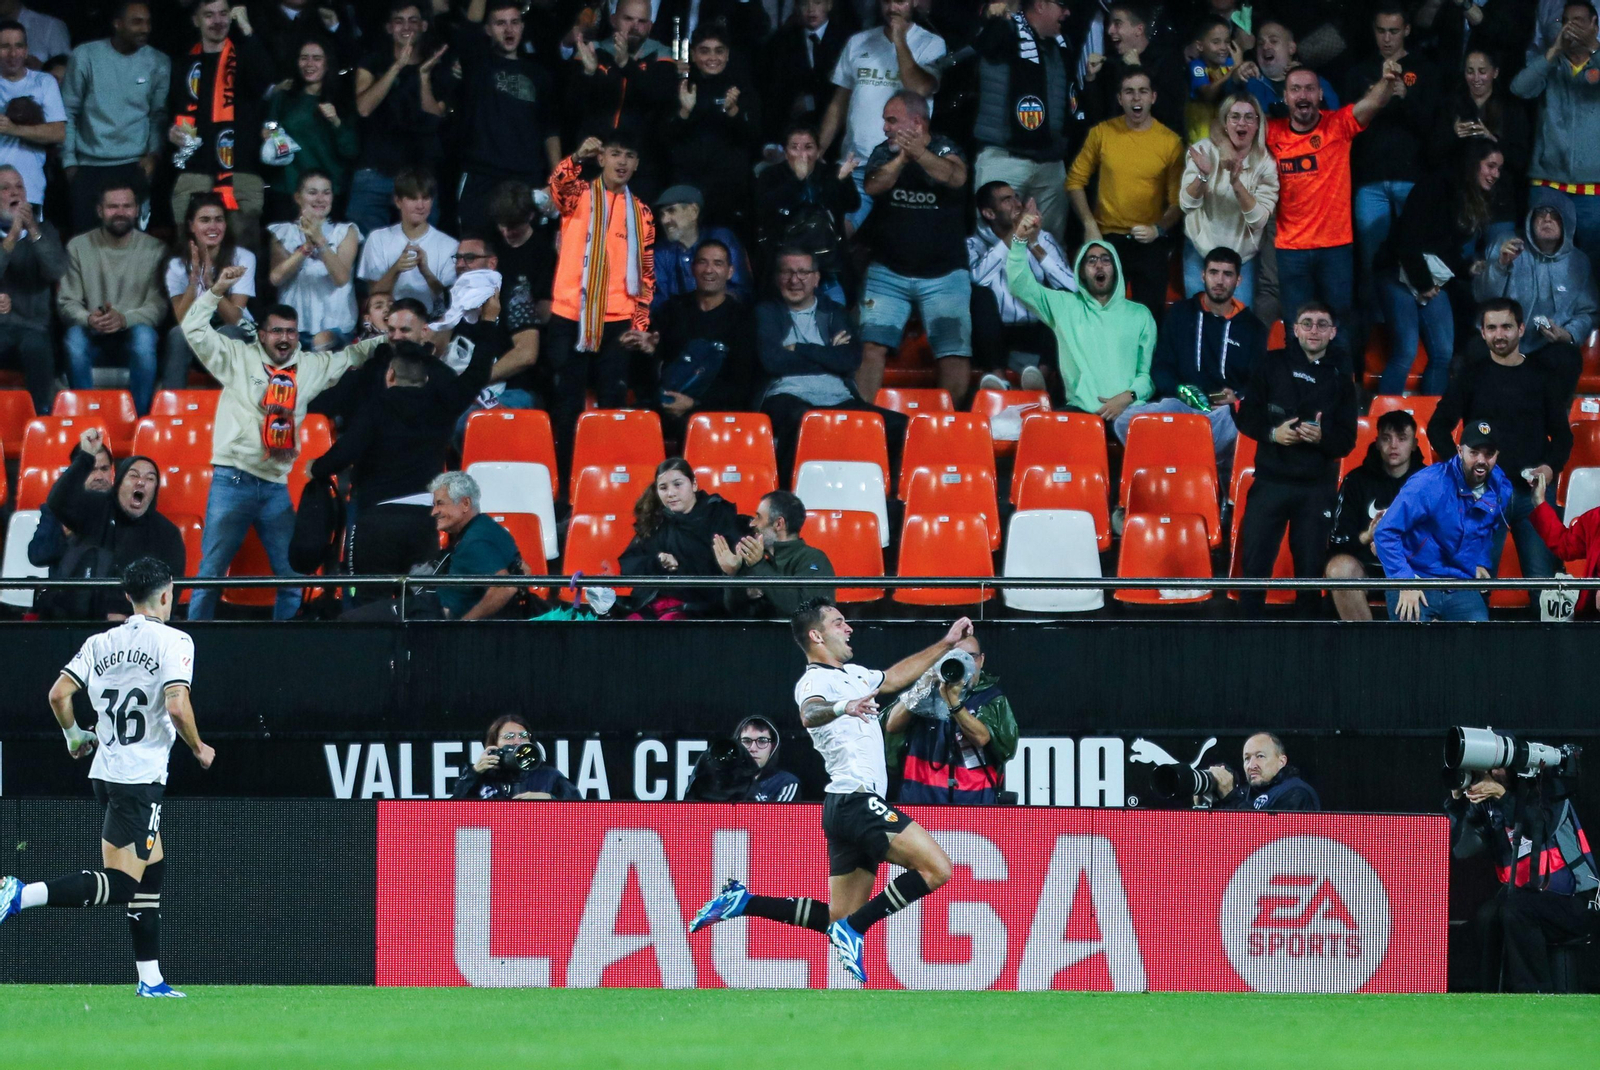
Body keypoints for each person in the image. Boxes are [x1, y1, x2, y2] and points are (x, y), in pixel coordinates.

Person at [688, 600, 971, 986]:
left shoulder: (854, 673)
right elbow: (811, 713)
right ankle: (854, 931)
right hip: (856, 801)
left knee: (838, 918)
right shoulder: (814, 681)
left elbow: (891, 678)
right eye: (839, 623)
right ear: (816, 635)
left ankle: (743, 902)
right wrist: (845, 705)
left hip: (842, 807)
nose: (849, 628)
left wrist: (946, 643)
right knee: (938, 869)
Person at [0, 557, 215, 999]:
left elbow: (59, 694)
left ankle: (150, 978)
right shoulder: (175, 641)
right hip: (140, 778)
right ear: (167, 593)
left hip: (107, 772)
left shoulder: (100, 643)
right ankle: (21, 894)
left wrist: (74, 735)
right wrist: (198, 748)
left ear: (128, 596)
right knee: (123, 883)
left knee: (152, 870)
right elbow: (176, 706)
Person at [182, 263, 385, 621]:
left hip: (275, 487)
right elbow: (193, 328)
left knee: (292, 577)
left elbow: (353, 355)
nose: (285, 338)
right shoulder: (237, 357)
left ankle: (283, 646)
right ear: (261, 334)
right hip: (233, 481)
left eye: (291, 332)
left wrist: (394, 337)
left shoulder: (310, 366)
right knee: (209, 576)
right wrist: (215, 292)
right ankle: (193, 649)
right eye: (276, 331)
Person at [310, 339, 494, 588]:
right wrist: (487, 323)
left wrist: (316, 468)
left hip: (376, 519)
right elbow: (478, 374)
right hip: (424, 520)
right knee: (419, 603)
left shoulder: (376, 408)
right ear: (426, 380)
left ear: (390, 375)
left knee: (368, 598)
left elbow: (345, 452)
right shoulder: (441, 409)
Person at [1430, 300, 1572, 587]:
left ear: (1520, 329)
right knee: (1475, 587)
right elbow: (1437, 428)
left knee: (1544, 590)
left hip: (1531, 496)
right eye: (1491, 327)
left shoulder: (1543, 376)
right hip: (1482, 497)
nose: (1499, 334)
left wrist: (1549, 467)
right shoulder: (1470, 376)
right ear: (1482, 333)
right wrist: (1462, 470)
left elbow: (1563, 436)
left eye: (1506, 326)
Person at [1233, 301, 1358, 617]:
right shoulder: (1270, 364)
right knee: (1255, 565)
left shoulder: (1342, 377)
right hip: (1270, 482)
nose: (1313, 329)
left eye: (1321, 323)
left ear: (1333, 332)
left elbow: (1347, 441)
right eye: (1307, 322)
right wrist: (1274, 435)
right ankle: (1246, 637)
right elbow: (1245, 415)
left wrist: (1322, 439)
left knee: (1310, 571)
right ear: (1295, 329)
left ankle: (1309, 644)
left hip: (1316, 489)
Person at [1267, 63, 1401, 351]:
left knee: (1338, 325)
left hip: (1335, 247)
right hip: (1290, 249)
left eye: (1309, 88)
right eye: (1295, 89)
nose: (1303, 95)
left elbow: (1374, 101)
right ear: (1286, 97)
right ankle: (1298, 389)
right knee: (1295, 324)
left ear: (1320, 94)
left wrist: (1387, 79)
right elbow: (1228, 124)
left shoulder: (1337, 125)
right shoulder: (1270, 132)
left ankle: (1341, 389)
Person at [545, 131, 655, 471]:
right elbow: (558, 185)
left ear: (636, 164)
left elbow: (646, 274)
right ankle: (565, 485)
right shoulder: (579, 196)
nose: (622, 161)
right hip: (570, 317)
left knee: (613, 405)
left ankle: (606, 480)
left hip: (618, 322)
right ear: (602, 157)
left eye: (630, 156)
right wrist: (577, 156)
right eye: (616, 153)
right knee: (567, 407)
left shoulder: (642, 214)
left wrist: (640, 325)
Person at [857, 90, 972, 404]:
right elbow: (873, 185)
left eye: (891, 120)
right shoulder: (884, 152)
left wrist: (920, 155)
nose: (885, 128)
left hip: (944, 275)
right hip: (888, 273)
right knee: (870, 347)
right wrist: (902, 159)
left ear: (917, 122)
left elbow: (956, 177)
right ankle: (864, 421)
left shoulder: (946, 147)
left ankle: (946, 429)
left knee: (953, 354)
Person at [758, 247, 908, 479]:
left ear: (816, 278)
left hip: (839, 398)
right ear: (777, 277)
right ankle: (788, 496)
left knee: (901, 425)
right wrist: (828, 356)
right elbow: (773, 361)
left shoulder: (834, 312)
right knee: (801, 420)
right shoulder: (766, 312)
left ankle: (888, 495)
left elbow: (849, 360)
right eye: (787, 272)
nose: (794, 280)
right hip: (786, 396)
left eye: (803, 272)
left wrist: (800, 348)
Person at [1447, 765, 1600, 992]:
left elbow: (1537, 828)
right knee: (1488, 916)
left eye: (1496, 768)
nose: (1490, 775)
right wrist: (1458, 803)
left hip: (1578, 901)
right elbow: (1462, 849)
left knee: (1516, 909)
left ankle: (1533, 994)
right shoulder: (1490, 809)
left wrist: (1502, 795)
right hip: (1529, 901)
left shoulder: (1546, 791)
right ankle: (1489, 996)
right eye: (1485, 770)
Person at [1373, 141, 1505, 396]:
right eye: (1491, 166)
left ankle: (1432, 421)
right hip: (1397, 273)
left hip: (1428, 279)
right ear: (1473, 163)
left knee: (1444, 351)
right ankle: (1385, 421)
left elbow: (1444, 249)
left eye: (1499, 169)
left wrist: (1467, 267)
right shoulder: (1434, 186)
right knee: (1406, 350)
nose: (1495, 175)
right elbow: (1408, 242)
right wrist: (1424, 284)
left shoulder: (1467, 196)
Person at [1115, 246, 1264, 469]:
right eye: (1214, 272)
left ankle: (1186, 469)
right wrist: (1182, 391)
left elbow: (1259, 383)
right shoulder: (1180, 314)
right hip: (1181, 407)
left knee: (1240, 425)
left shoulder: (1253, 328)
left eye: (1227, 274)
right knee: (1124, 421)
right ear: (1203, 275)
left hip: (1222, 414)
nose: (1220, 280)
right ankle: (1173, 471)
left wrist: (1237, 397)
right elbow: (1161, 367)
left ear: (1239, 280)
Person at [1007, 210, 1155, 423]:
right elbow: (1020, 285)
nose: (1099, 265)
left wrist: (1127, 397)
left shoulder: (1140, 314)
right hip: (1081, 412)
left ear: (1116, 269)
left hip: (1130, 412)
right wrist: (1020, 240)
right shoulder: (1064, 305)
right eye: (1091, 261)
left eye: (1106, 260)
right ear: (1082, 272)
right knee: (1043, 432)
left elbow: (1146, 376)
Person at [1344, 4, 1441, 313]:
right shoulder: (1360, 72)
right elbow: (1347, 126)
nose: (1387, 38)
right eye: (1381, 31)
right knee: (1372, 260)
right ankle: (1376, 325)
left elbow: (1433, 128)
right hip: (1370, 179)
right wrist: (1375, 97)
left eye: (1394, 31)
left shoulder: (1425, 70)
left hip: (1412, 179)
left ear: (1407, 31)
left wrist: (1405, 98)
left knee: (1418, 256)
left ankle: (1418, 320)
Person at [1066, 69, 1184, 325]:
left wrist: (1158, 229)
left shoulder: (1171, 142)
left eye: (1142, 91)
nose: (1136, 98)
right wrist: (1089, 225)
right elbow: (1074, 181)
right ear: (1119, 99)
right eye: (1129, 92)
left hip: (1148, 241)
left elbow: (1178, 202)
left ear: (1153, 97)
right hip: (1107, 240)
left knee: (1149, 319)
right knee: (1100, 316)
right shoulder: (1102, 133)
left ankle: (1146, 366)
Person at [819, 0, 945, 231]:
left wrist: (898, 40)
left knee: (898, 241)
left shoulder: (932, 43)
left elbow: (919, 87)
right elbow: (839, 103)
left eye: (899, 1)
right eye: (886, 1)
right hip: (855, 163)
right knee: (836, 233)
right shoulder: (858, 42)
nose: (892, 7)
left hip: (904, 166)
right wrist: (820, 149)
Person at [40, 427, 186, 621]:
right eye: (133, 476)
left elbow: (168, 593)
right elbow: (58, 501)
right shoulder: (97, 510)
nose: (141, 482)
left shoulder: (167, 534)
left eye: (150, 478)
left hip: (137, 626)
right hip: (82, 620)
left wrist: (132, 618)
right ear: (119, 484)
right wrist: (85, 457)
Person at [1374, 418, 1511, 622]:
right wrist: (1405, 581)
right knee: (1411, 643)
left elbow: (1489, 528)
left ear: (1497, 456)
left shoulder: (1500, 487)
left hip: (1459, 581)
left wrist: (1480, 561)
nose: (1481, 460)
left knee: (1479, 640)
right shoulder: (1429, 483)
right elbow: (1385, 532)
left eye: (1489, 454)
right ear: (1459, 451)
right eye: (1474, 452)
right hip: (1416, 575)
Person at [452, 0, 561, 234]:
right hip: (483, 177)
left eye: (514, 22)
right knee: (477, 252)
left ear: (523, 26)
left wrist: (556, 181)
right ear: (488, 29)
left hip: (526, 179)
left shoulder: (540, 74)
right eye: (500, 23)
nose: (509, 29)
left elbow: (550, 130)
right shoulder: (478, 64)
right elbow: (470, 26)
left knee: (521, 255)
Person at [169, 0, 272, 247]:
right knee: (190, 258)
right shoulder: (183, 64)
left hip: (240, 174)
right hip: (194, 172)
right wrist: (170, 132)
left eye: (223, 14)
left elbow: (267, 82)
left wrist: (247, 29)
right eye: (209, 15)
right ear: (196, 20)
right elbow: (171, 111)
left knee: (243, 262)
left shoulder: (247, 57)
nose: (217, 21)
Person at [61, 1, 168, 237]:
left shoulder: (159, 61)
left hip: (134, 164)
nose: (145, 29)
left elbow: (158, 116)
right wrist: (69, 162)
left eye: (148, 22)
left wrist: (154, 155)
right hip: (89, 166)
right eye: (137, 22)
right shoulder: (85, 56)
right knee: (86, 244)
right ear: (117, 24)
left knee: (134, 244)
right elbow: (68, 111)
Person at [58, 182, 166, 415]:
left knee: (145, 338)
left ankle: (138, 422)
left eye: (127, 206)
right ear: (100, 211)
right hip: (92, 334)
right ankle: (85, 420)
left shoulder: (155, 249)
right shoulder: (78, 246)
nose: (120, 212)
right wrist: (89, 318)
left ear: (137, 209)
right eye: (113, 206)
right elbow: (67, 302)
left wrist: (124, 319)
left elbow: (158, 307)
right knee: (73, 339)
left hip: (132, 334)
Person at [970, 0, 1074, 240]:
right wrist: (989, 17)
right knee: (996, 245)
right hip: (1004, 160)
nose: (1067, 12)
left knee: (1047, 248)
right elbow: (976, 47)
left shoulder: (1062, 44)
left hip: (1050, 165)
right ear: (1040, 5)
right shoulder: (1002, 30)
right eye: (1062, 5)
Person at [1474, 200, 1597, 400]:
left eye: (1554, 215)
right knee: (1476, 351)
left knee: (1568, 357)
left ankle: (1554, 426)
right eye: (1541, 213)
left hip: (1547, 347)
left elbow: (1589, 312)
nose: (1547, 218)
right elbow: (1482, 297)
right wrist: (1499, 266)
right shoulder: (1507, 244)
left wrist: (1568, 334)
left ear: (1567, 222)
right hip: (1503, 338)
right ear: (1530, 219)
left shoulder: (1579, 262)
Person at [348, 1, 451, 237]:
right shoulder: (371, 61)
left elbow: (435, 116)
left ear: (424, 25)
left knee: (420, 248)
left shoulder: (436, 66)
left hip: (420, 176)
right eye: (399, 21)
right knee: (366, 249)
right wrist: (397, 66)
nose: (406, 26)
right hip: (374, 170)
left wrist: (423, 76)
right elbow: (364, 108)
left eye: (413, 20)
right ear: (388, 28)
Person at [882, 635, 1018, 806]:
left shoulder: (991, 698)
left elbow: (982, 738)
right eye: (955, 656)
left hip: (973, 799)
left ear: (981, 660)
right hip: (920, 797)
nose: (963, 663)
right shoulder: (924, 692)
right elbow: (892, 725)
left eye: (970, 657)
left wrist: (954, 703)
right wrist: (922, 688)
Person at [1512, 2, 1600, 257]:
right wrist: (1553, 51)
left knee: (1595, 263)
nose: (1571, 27)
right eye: (1566, 21)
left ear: (1595, 24)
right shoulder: (1550, 64)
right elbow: (1520, 88)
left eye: (1579, 20)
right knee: (1541, 259)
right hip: (1547, 182)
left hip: (1593, 187)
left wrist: (1594, 47)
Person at [644, 238, 756, 438]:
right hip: (667, 404)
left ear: (730, 271)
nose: (709, 270)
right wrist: (650, 351)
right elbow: (653, 367)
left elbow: (743, 382)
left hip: (716, 411)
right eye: (702, 262)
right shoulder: (672, 309)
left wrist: (695, 404)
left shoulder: (742, 318)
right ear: (692, 269)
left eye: (718, 263)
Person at [568, 0, 679, 199]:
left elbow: (661, 98)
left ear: (650, 26)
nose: (635, 26)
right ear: (613, 20)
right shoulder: (593, 52)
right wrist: (587, 72)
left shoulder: (662, 56)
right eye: (628, 19)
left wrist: (627, 66)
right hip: (594, 163)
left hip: (642, 169)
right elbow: (571, 109)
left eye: (642, 21)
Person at [1325, 409, 1427, 622]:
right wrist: (1368, 536)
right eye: (1386, 438)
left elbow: (1444, 535)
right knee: (1338, 568)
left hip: (1412, 567)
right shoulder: (1355, 481)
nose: (1393, 446)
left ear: (1415, 444)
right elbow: (1336, 540)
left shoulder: (1429, 482)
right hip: (1367, 569)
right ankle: (1366, 646)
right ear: (1377, 442)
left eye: (1402, 439)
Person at [1178, 92, 1277, 307]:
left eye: (1249, 117)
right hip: (1200, 249)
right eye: (1235, 117)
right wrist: (1203, 176)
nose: (1242, 123)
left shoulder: (1266, 163)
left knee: (1239, 324)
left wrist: (1236, 183)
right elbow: (1187, 204)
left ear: (1258, 124)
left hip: (1242, 257)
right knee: (1198, 320)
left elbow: (1258, 220)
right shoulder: (1204, 150)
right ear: (1225, 123)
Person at [618, 457, 748, 619]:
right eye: (663, 488)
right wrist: (658, 561)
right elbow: (629, 565)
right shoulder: (656, 521)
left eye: (678, 484)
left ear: (693, 484)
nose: (671, 493)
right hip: (656, 603)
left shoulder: (719, 516)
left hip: (702, 609)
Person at [968, 180, 1070, 383]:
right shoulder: (975, 244)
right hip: (994, 333)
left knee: (1062, 298)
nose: (1017, 203)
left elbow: (1070, 286)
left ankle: (1039, 380)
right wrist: (1016, 236)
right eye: (1007, 200)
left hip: (1037, 329)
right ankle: (998, 381)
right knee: (979, 295)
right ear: (989, 214)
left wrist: (1032, 243)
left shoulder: (1043, 239)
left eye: (1016, 197)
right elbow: (978, 279)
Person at [161, 192, 257, 407]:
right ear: (191, 226)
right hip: (198, 340)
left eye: (218, 219)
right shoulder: (176, 265)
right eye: (205, 220)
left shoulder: (243, 258)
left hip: (238, 336)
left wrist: (213, 286)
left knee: (228, 333)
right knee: (177, 335)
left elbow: (234, 319)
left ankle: (234, 410)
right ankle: (169, 412)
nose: (213, 226)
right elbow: (182, 321)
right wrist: (195, 281)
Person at [668, 21, 760, 234]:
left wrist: (734, 112)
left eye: (719, 51)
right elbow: (664, 138)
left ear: (728, 54)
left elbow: (754, 136)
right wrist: (684, 112)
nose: (712, 58)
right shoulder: (680, 86)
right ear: (693, 53)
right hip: (687, 189)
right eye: (704, 51)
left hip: (729, 192)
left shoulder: (741, 88)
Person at [753, 124, 859, 303]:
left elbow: (853, 204)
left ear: (818, 152)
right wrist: (797, 180)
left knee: (835, 322)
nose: (802, 154)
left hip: (827, 269)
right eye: (795, 147)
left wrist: (840, 181)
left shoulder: (831, 173)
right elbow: (766, 209)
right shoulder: (770, 176)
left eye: (808, 147)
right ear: (786, 153)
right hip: (785, 270)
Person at [260, 37, 358, 218]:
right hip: (288, 189)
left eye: (317, 58)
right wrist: (269, 132)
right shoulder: (284, 97)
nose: (309, 63)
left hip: (327, 192)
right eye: (304, 58)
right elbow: (272, 123)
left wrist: (336, 121)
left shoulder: (342, 101)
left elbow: (351, 151)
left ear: (328, 64)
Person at [267, 170, 359, 352]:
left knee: (322, 342)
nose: (320, 199)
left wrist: (321, 243)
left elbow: (341, 278)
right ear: (298, 197)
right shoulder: (283, 232)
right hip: (293, 329)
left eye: (326, 193)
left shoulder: (346, 232)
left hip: (336, 327)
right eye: (312, 192)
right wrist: (306, 248)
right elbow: (276, 278)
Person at [0, 164, 63, 414]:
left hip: (33, 328)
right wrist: (14, 234)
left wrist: (33, 231)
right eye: (5, 188)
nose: (15, 193)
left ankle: (43, 418)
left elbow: (57, 271)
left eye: (19, 187)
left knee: (36, 346)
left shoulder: (45, 231)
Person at [1432, 49, 1531, 207]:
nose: (1476, 78)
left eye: (1482, 71)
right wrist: (1453, 134)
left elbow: (1521, 160)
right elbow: (1434, 154)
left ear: (1495, 72)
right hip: (1457, 200)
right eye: (1470, 71)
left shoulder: (1511, 108)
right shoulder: (1451, 106)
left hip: (1500, 201)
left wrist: (1493, 139)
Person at [355, 166, 457, 316]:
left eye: (425, 198)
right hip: (388, 325)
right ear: (398, 201)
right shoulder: (378, 238)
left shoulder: (449, 245)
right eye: (413, 198)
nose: (420, 205)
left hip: (430, 324)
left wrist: (427, 273)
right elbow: (373, 294)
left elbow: (449, 301)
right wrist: (396, 269)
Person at [716, 489, 835, 617]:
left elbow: (806, 612)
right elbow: (737, 611)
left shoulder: (813, 559)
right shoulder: (756, 559)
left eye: (759, 517)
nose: (752, 523)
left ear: (778, 524)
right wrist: (733, 574)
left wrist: (760, 566)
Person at [424, 471, 525, 621]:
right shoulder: (485, 526)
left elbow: (505, 587)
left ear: (465, 504)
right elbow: (523, 569)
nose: (434, 512)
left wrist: (465, 624)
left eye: (440, 503)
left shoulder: (476, 540)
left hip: (435, 619)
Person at [1081, 3, 1188, 134]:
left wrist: (1139, 71)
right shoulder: (1110, 64)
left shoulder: (1167, 61)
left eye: (1117, 23)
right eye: (1110, 24)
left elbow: (1170, 113)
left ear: (1139, 29)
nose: (1110, 30)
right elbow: (1097, 117)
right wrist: (1091, 79)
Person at [758, 0, 847, 151]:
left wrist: (812, 101)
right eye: (805, 4)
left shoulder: (847, 40)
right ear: (797, 7)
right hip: (793, 130)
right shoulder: (781, 42)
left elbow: (843, 90)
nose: (811, 10)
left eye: (818, 3)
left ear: (829, 5)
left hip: (837, 136)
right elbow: (774, 92)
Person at [651, 185, 752, 311]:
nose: (664, 220)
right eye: (662, 214)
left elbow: (743, 290)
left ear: (694, 211)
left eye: (671, 211)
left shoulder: (723, 239)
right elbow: (659, 301)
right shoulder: (661, 252)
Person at [0, 20, 63, 209]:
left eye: (18, 46)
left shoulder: (44, 82)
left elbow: (59, 132)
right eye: (5, 47)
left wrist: (14, 129)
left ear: (26, 51)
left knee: (30, 238)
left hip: (29, 187)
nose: (13, 54)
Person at [30, 440, 115, 574]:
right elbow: (37, 555)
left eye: (104, 469)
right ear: (78, 471)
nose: (99, 477)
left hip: (110, 589)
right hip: (67, 589)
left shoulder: (122, 507)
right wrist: (64, 534)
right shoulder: (56, 508)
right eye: (92, 469)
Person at [450, 716, 581, 800]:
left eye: (523, 736)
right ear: (494, 744)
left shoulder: (549, 776)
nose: (518, 741)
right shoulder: (481, 777)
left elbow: (582, 810)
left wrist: (550, 799)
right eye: (509, 737)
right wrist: (474, 773)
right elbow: (450, 812)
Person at [1239, 20, 1339, 117]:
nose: (1265, 47)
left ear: (1291, 48)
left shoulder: (1316, 81)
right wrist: (1236, 75)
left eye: (1273, 41)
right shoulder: (1252, 83)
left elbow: (1332, 114)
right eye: (1260, 43)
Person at [1207, 732, 1321, 811]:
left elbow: (1270, 839)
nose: (1251, 765)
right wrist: (1214, 801)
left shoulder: (1297, 793)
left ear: (1281, 761)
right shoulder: (1247, 792)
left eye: (1260, 756)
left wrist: (1230, 797)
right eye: (1247, 758)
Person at [1184, 15, 1238, 145]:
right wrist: (1234, 70)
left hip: (1226, 122)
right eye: (1216, 42)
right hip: (1202, 125)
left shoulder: (1231, 63)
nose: (1223, 47)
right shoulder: (1197, 66)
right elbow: (1207, 94)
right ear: (1200, 46)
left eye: (1227, 41)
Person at [737, 715, 801, 802]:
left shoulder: (785, 782)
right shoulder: (723, 779)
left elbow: (777, 815)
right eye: (746, 741)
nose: (753, 748)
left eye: (762, 741)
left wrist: (750, 788)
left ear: (773, 747)